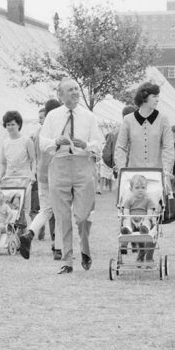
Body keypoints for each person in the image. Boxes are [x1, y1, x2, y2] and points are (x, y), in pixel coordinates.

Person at [37, 78, 104, 274]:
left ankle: (85, 248)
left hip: (83, 165)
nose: (75, 93)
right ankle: (67, 260)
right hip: (59, 165)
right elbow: (43, 143)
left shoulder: (89, 117)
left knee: (83, 215)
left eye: (77, 89)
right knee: (62, 216)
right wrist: (56, 141)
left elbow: (99, 143)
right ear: (60, 95)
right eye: (70, 90)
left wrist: (86, 145)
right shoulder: (52, 116)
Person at [19, 99, 63, 260]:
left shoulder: (37, 133)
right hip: (56, 173)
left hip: (41, 174)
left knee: (45, 210)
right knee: (61, 211)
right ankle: (58, 248)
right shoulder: (57, 130)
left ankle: (30, 234)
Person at [113, 82, 175, 189]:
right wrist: (121, 169)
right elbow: (120, 147)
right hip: (133, 175)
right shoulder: (128, 120)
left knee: (156, 204)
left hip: (157, 174)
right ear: (144, 97)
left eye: (158, 96)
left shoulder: (163, 120)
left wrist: (167, 170)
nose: (157, 99)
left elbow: (168, 147)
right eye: (154, 96)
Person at [119, 172, 159, 260]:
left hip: (143, 220)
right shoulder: (129, 200)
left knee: (147, 221)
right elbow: (126, 213)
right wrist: (131, 220)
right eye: (137, 188)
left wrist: (143, 220)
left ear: (146, 189)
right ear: (131, 189)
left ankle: (145, 228)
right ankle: (127, 230)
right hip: (132, 220)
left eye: (143, 188)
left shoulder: (148, 200)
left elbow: (149, 213)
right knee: (126, 220)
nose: (140, 190)